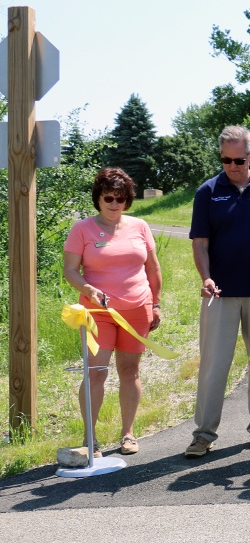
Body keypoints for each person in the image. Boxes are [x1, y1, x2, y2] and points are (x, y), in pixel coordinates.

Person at [185, 125, 250, 457]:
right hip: (220, 293)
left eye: (239, 160)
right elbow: (200, 243)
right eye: (226, 160)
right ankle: (203, 434)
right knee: (214, 364)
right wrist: (205, 277)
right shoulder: (207, 192)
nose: (232, 166)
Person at [63, 167, 162, 456]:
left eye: (121, 199)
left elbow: (153, 269)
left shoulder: (140, 226)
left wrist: (155, 303)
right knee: (96, 372)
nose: (115, 204)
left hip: (137, 309)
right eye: (109, 198)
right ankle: (90, 438)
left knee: (130, 370)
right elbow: (70, 270)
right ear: (98, 198)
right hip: (98, 312)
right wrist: (88, 288)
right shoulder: (82, 229)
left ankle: (128, 434)